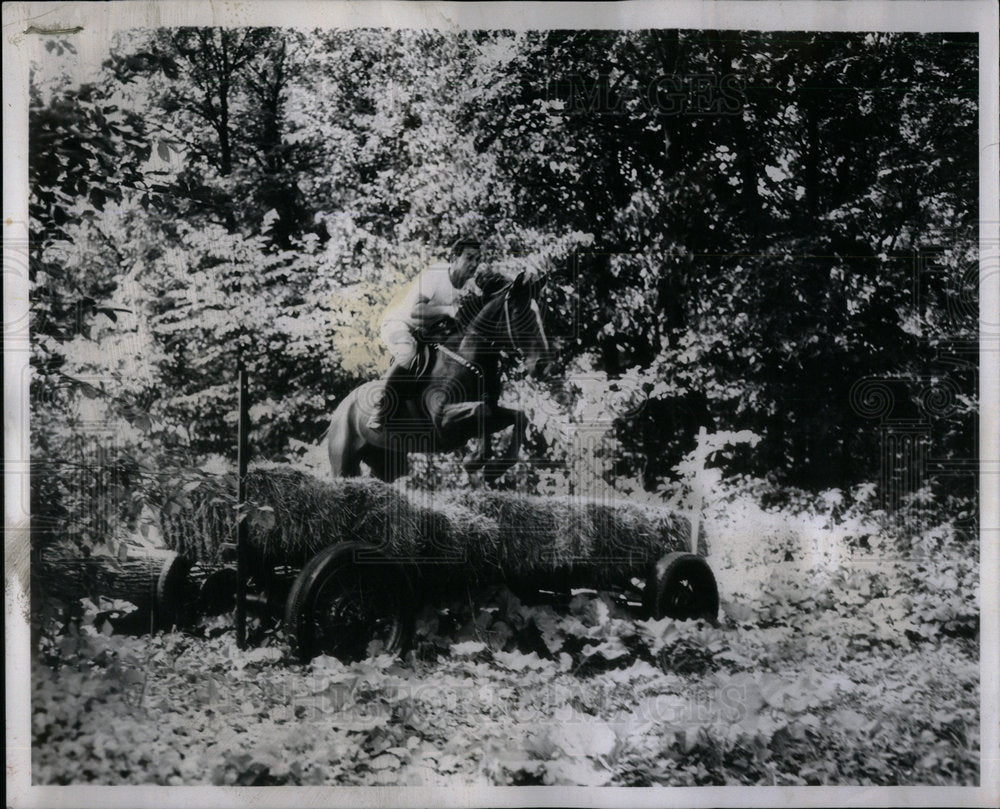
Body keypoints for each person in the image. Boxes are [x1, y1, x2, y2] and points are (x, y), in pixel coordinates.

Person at [367, 236, 483, 432]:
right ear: (454, 257)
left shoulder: (471, 287)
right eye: (469, 258)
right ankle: (380, 406)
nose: (474, 264)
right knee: (408, 353)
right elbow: (416, 311)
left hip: (429, 334)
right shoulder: (437, 273)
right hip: (401, 325)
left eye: (478, 259)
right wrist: (448, 310)